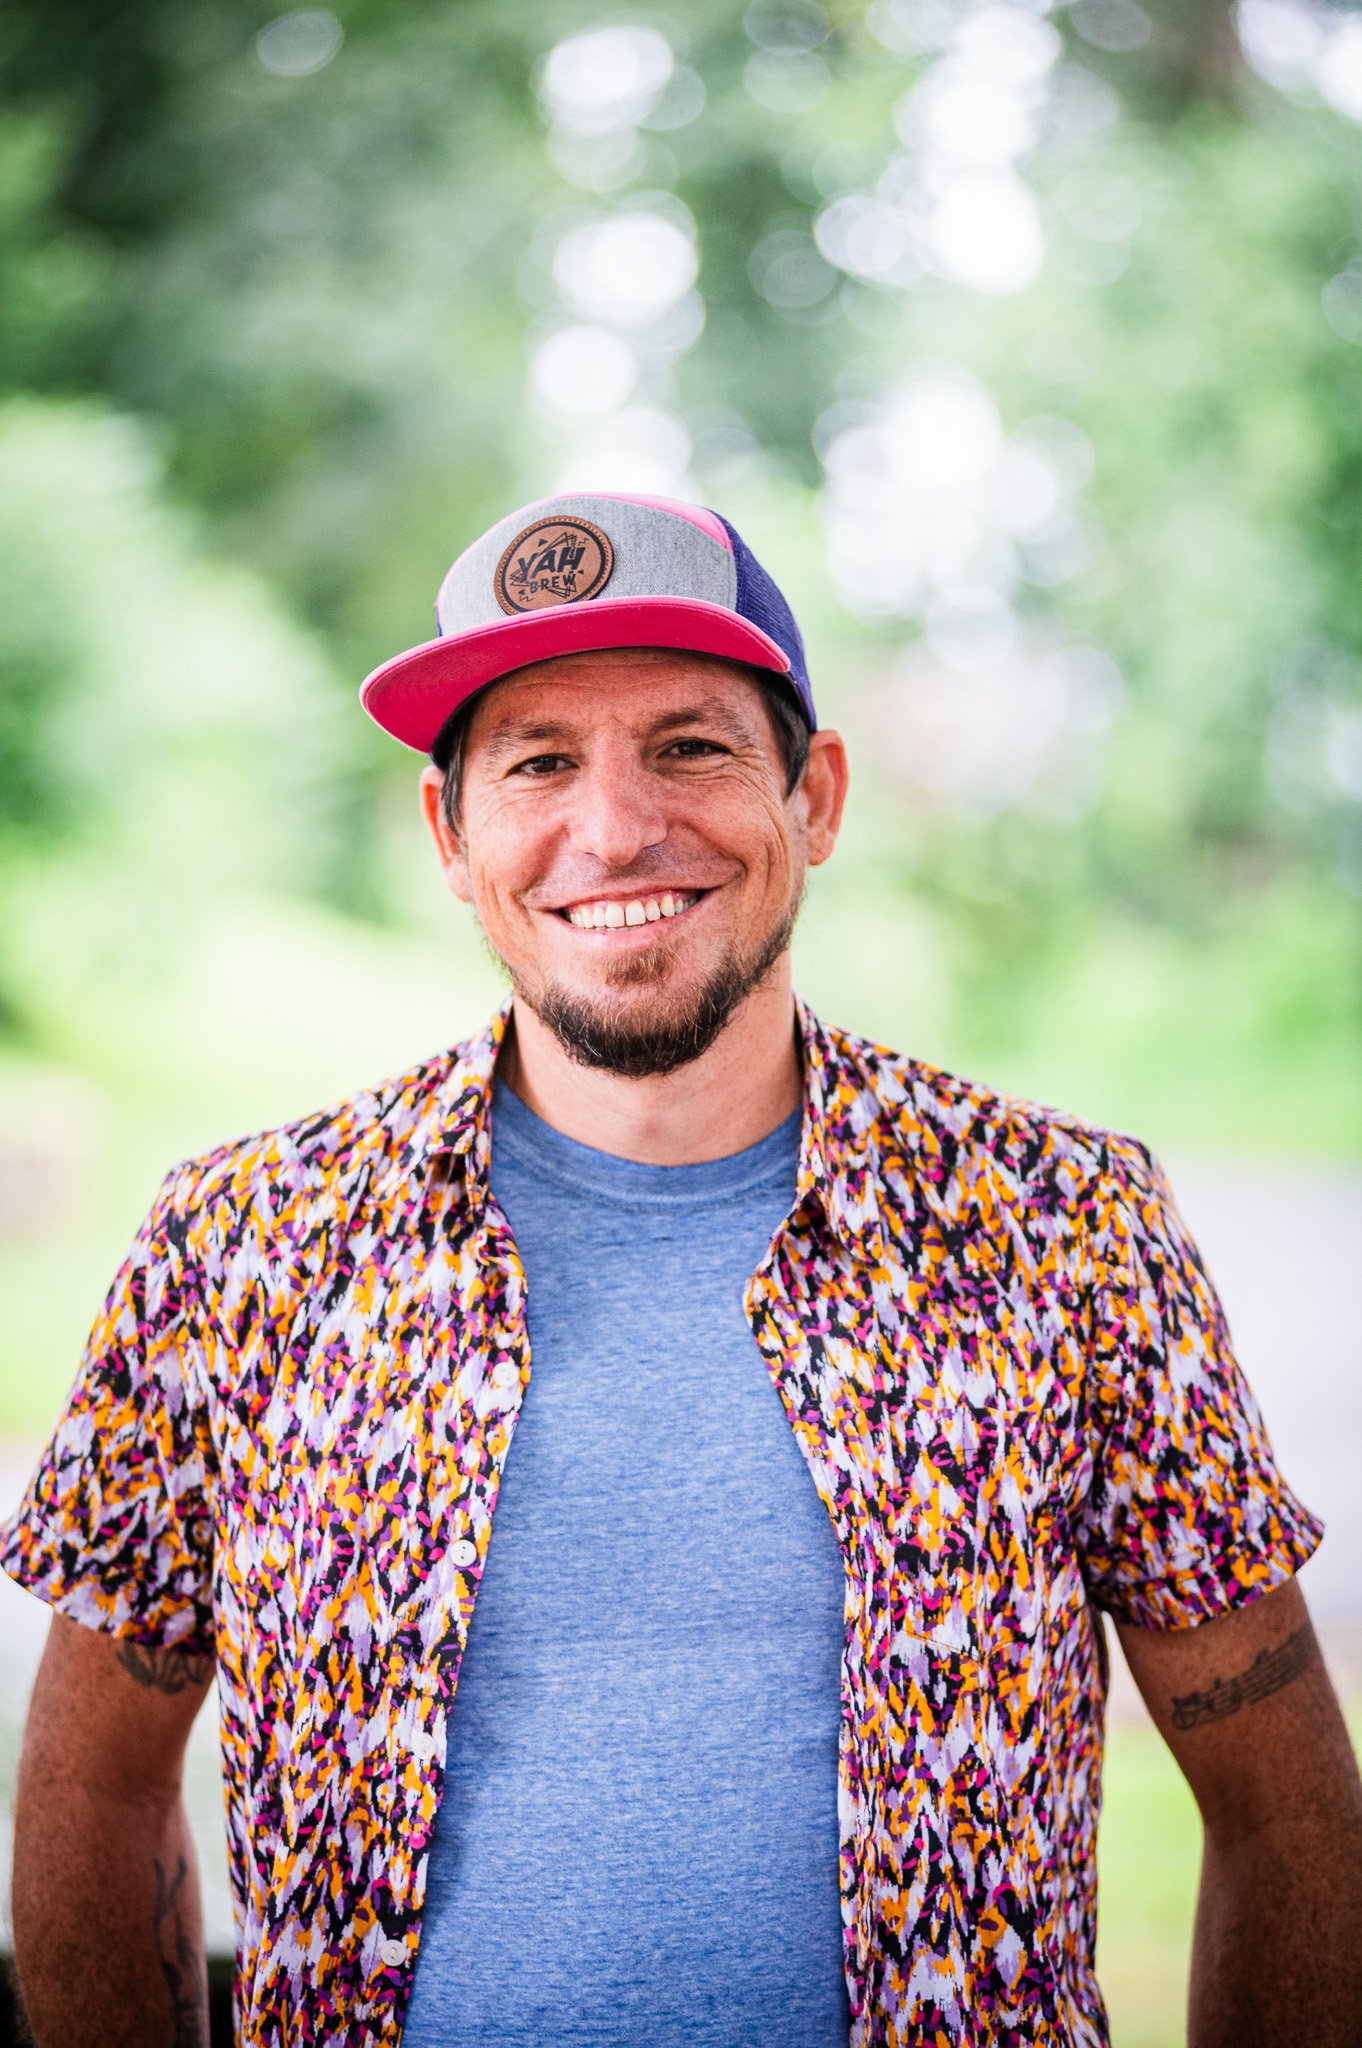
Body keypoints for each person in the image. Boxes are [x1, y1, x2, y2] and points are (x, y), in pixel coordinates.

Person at [4, 491, 1361, 2048]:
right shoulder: (240, 1248)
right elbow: (96, 1790)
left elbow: (1285, 1819)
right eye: (536, 762)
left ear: (817, 795)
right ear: (452, 835)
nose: (612, 827)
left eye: (691, 746)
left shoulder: (1064, 1229)